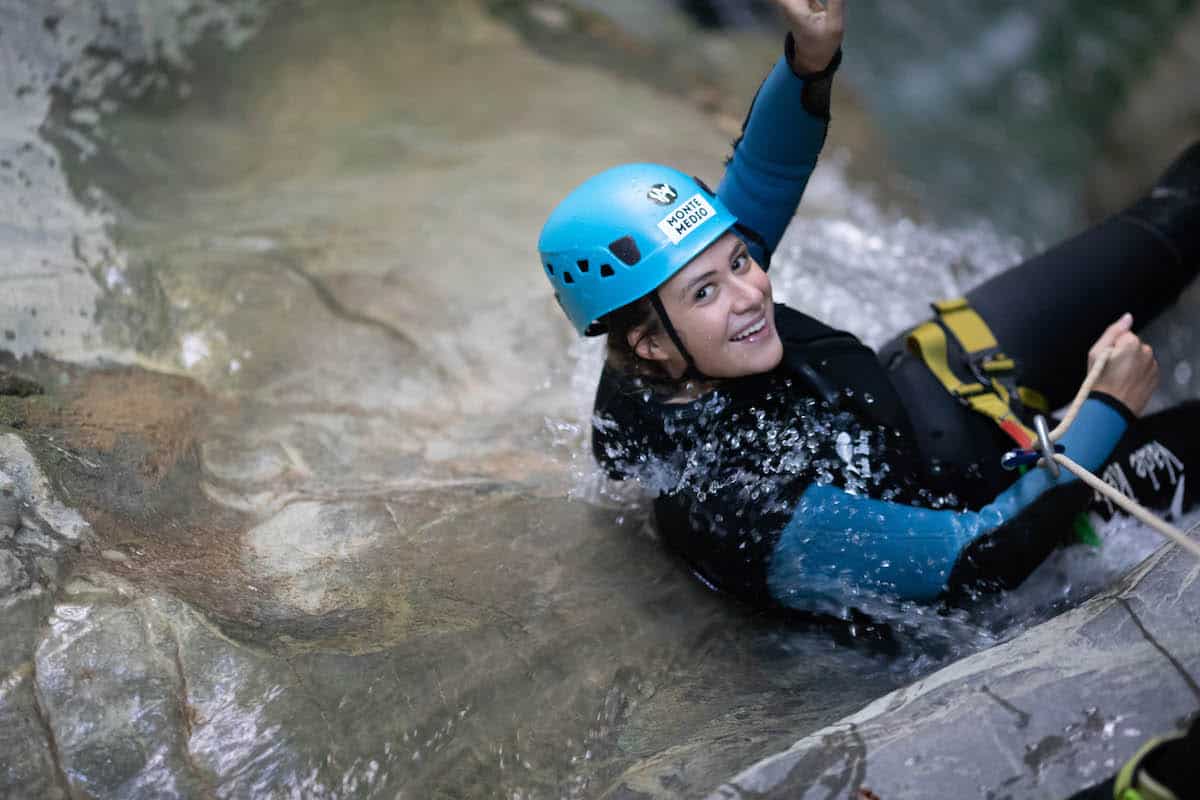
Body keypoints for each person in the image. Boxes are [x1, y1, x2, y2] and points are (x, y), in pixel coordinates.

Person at [537, 0, 1200, 616]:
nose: (751, 292)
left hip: (936, 383)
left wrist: (809, 59)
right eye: (705, 292)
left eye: (740, 260)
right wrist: (1106, 410)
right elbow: (978, 557)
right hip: (997, 504)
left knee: (1175, 219)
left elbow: (763, 175)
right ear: (648, 343)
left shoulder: (668, 336)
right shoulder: (740, 506)